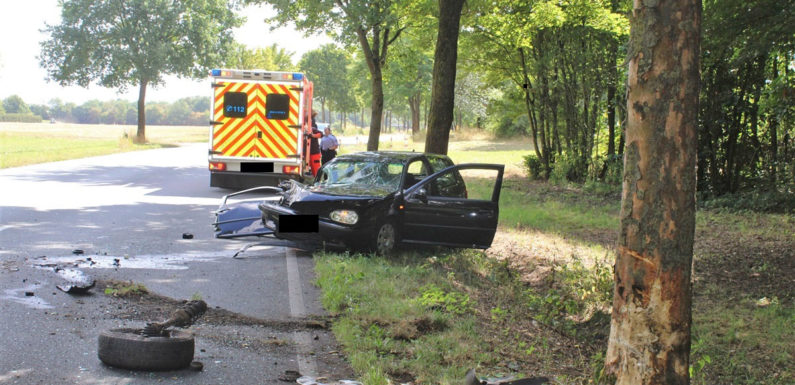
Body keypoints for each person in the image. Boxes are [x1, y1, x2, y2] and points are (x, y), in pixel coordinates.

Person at [307, 110, 323, 176]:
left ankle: (318, 184)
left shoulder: (313, 127)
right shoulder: (311, 124)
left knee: (316, 172)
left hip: (314, 153)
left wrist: (312, 135)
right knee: (314, 172)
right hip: (311, 153)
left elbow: (321, 134)